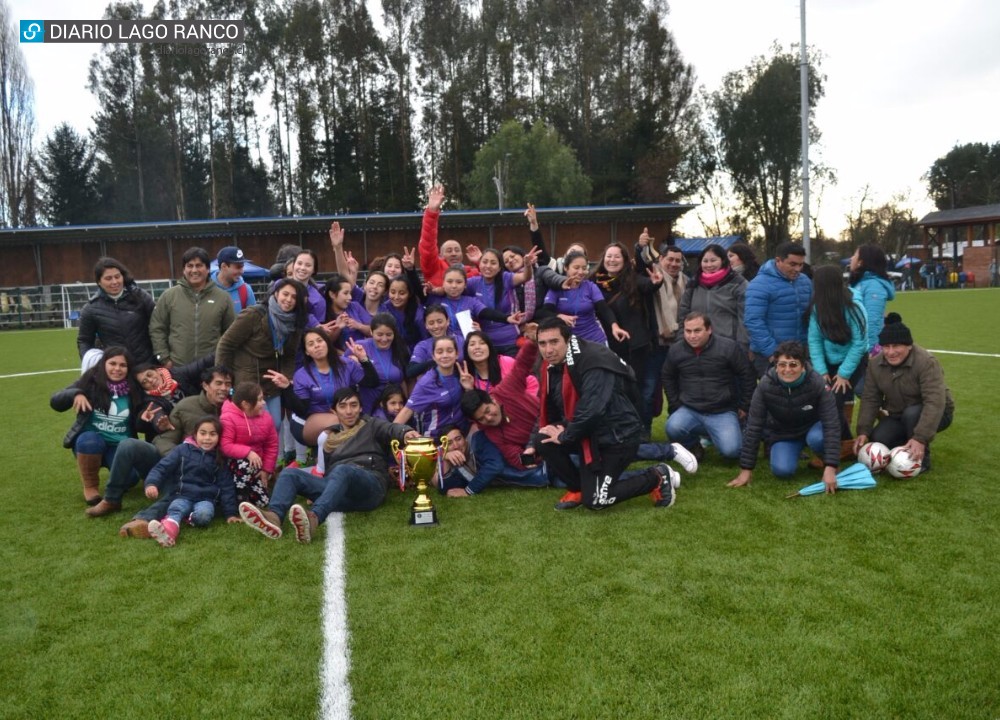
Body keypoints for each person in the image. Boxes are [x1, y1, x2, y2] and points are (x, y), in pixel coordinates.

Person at [238, 387, 420, 544]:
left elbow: (391, 429)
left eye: (354, 405)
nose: (349, 411)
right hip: (341, 490)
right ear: (334, 411)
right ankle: (274, 517)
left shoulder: (372, 425)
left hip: (370, 486)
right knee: (289, 474)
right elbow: (324, 472)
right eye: (343, 406)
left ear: (360, 407)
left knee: (343, 470)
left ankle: (314, 518)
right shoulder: (328, 438)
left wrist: (406, 432)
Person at [534, 318, 679, 511]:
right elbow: (550, 409)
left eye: (554, 342)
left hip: (618, 437)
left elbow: (592, 410)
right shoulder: (550, 366)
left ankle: (657, 476)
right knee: (542, 440)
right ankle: (578, 488)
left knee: (596, 501)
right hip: (590, 435)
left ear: (568, 340)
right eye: (542, 343)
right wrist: (545, 435)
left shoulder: (592, 359)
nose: (548, 349)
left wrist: (565, 436)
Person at [85, 366, 232, 532]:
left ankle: (146, 519)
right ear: (205, 385)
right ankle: (111, 499)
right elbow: (165, 440)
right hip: (179, 465)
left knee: (179, 492)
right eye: (218, 383)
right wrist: (181, 460)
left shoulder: (235, 410)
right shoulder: (186, 406)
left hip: (212, 474)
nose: (224, 388)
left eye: (228, 384)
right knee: (129, 445)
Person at [728, 341, 841, 491]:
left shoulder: (817, 383)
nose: (787, 369)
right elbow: (753, 427)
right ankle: (795, 451)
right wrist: (746, 470)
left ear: (803, 365)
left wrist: (831, 467)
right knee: (782, 471)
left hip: (813, 429)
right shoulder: (765, 385)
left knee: (817, 438)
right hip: (784, 434)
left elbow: (832, 424)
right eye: (782, 365)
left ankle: (826, 462)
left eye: (793, 364)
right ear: (776, 365)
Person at [643, 312, 755, 462]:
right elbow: (667, 376)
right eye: (688, 331)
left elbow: (747, 375)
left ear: (709, 330)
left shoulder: (728, 347)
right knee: (672, 427)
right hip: (690, 409)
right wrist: (675, 405)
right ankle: (693, 445)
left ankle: (732, 431)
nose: (692, 336)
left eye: (697, 330)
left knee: (732, 451)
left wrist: (744, 405)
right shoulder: (676, 350)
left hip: (722, 410)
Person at [451, 333, 550, 496]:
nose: (488, 418)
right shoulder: (492, 432)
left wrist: (532, 341)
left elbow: (522, 364)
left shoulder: (505, 389)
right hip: (541, 447)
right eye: (482, 418)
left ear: (492, 399)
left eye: (488, 411)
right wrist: (532, 459)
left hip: (550, 422)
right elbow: (514, 457)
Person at [853, 314, 954, 472]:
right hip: (898, 413)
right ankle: (904, 445)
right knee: (879, 439)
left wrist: (920, 438)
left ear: (909, 345)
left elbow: (934, 402)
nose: (890, 352)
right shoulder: (875, 364)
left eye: (896, 346)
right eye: (886, 346)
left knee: (912, 414)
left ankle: (921, 459)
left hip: (938, 413)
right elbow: (870, 398)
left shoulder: (926, 362)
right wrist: (863, 431)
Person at [214, 278, 308, 433]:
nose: (289, 300)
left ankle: (269, 457)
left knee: (275, 425)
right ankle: (251, 457)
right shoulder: (254, 314)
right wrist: (223, 377)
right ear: (276, 293)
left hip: (271, 380)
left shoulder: (295, 322)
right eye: (285, 294)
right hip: (247, 378)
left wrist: (286, 377)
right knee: (259, 427)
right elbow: (226, 344)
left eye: (294, 297)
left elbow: (289, 355)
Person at [50, 346, 141, 505]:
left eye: (122, 365)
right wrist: (75, 393)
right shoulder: (90, 381)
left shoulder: (134, 388)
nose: (117, 369)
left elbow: (140, 421)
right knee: (89, 440)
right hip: (91, 441)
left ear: (128, 368)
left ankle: (115, 474)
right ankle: (90, 487)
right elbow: (55, 401)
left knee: (131, 478)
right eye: (112, 363)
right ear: (104, 363)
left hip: (119, 444)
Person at [144, 416, 241, 547]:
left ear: (219, 437)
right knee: (176, 509)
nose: (207, 438)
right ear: (195, 434)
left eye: (212, 434)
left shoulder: (220, 458)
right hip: (182, 495)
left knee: (204, 516)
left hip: (206, 499)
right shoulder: (182, 450)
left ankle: (189, 518)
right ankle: (168, 530)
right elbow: (162, 467)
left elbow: (226, 486)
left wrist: (231, 514)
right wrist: (152, 484)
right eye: (203, 433)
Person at [807, 265, 869, 454]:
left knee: (834, 400)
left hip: (854, 360)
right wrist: (822, 371)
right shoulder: (818, 307)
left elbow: (860, 343)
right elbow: (814, 340)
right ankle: (845, 444)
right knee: (825, 399)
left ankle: (842, 447)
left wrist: (843, 374)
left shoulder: (854, 306)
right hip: (828, 361)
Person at [591, 242, 660, 405]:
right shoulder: (593, 282)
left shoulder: (632, 278)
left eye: (617, 256)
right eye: (609, 256)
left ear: (624, 260)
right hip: (605, 345)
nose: (612, 260)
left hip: (633, 346)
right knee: (609, 391)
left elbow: (648, 285)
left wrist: (656, 283)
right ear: (603, 259)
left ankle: (638, 428)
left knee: (635, 390)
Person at [634, 234, 687, 434]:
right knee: (648, 390)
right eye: (669, 259)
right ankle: (643, 431)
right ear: (661, 260)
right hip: (655, 345)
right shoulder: (650, 278)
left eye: (677, 260)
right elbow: (641, 261)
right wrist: (639, 247)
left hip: (679, 344)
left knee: (679, 391)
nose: (673, 264)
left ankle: (681, 431)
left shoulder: (686, 282)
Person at [149, 246, 236, 367]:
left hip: (211, 369)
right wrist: (164, 358)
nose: (194, 270)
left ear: (207, 269)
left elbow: (231, 333)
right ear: (184, 270)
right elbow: (157, 328)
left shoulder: (223, 298)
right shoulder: (169, 296)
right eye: (190, 266)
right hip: (177, 368)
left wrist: (222, 360)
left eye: (199, 265)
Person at [744, 241, 813, 377]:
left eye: (801, 264)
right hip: (769, 356)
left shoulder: (805, 281)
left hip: (801, 353)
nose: (798, 269)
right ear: (778, 261)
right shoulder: (759, 284)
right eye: (792, 264)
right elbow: (753, 321)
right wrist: (772, 353)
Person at [76, 257, 156, 369]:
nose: (114, 282)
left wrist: (160, 356)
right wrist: (93, 366)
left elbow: (158, 327)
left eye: (117, 277)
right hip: (118, 370)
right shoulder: (91, 309)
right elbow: (84, 341)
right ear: (99, 281)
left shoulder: (141, 297)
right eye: (108, 278)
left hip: (147, 366)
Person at [540, 250, 626, 345]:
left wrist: (615, 326)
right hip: (567, 342)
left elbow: (604, 309)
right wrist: (559, 316)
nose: (581, 272)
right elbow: (544, 312)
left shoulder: (590, 287)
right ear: (566, 268)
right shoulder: (556, 288)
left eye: (584, 268)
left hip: (594, 340)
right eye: (576, 268)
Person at [467, 247, 536, 355]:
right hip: (485, 343)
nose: (488, 266)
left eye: (493, 263)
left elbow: (525, 277)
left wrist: (527, 265)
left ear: (499, 268)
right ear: (479, 264)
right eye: (484, 262)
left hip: (510, 341)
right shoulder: (473, 283)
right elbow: (453, 288)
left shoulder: (505, 278)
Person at [220, 382, 280, 506]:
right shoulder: (228, 418)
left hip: (257, 464)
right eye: (260, 400)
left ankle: (251, 497)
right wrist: (248, 452)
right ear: (245, 404)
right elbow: (225, 446)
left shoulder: (266, 418)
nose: (264, 403)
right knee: (245, 464)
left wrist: (266, 469)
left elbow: (272, 445)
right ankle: (240, 501)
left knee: (263, 503)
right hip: (235, 465)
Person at [678, 244, 748, 348]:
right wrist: (681, 341)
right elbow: (683, 313)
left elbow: (745, 318)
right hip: (698, 345)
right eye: (705, 261)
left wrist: (743, 345)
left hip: (728, 345)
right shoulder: (693, 284)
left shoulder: (738, 283)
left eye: (713, 260)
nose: (709, 265)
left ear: (723, 261)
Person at [393, 336, 466, 436]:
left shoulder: (462, 373)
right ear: (433, 356)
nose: (445, 355)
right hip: (436, 439)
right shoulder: (426, 383)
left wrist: (469, 388)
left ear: (457, 354)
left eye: (449, 351)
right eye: (440, 352)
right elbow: (406, 412)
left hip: (459, 435)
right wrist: (390, 435)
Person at [418, 184, 480, 289]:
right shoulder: (433, 269)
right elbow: (428, 246)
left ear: (462, 254)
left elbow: (492, 281)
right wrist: (431, 212)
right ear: (440, 255)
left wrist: (480, 263)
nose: (454, 253)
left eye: (457, 250)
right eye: (449, 251)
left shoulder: (473, 273)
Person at [346, 313, 410, 414]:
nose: (384, 339)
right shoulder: (360, 347)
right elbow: (343, 371)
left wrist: (408, 404)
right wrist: (354, 360)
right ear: (371, 332)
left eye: (389, 335)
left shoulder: (401, 349)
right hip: (368, 405)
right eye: (379, 334)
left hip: (394, 407)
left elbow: (403, 381)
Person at [848, 245, 895, 357]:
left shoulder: (873, 286)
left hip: (865, 351)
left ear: (861, 262)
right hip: (856, 345)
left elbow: (872, 321)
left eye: (855, 255)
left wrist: (870, 351)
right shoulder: (862, 283)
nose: (851, 258)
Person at [463, 330, 539, 397]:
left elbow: (531, 381)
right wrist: (469, 389)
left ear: (489, 347)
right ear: (466, 351)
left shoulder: (506, 362)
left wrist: (524, 405)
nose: (477, 347)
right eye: (472, 344)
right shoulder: (467, 376)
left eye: (482, 343)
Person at [212, 245, 257, 312]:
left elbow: (253, 321)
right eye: (238, 267)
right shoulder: (205, 288)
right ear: (224, 266)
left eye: (242, 267)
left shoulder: (246, 290)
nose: (242, 271)